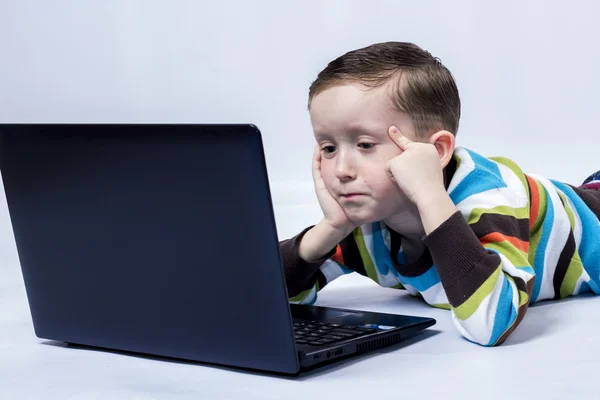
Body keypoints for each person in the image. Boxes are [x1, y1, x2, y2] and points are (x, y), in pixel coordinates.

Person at [279, 41, 600, 346]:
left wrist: (430, 195)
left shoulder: (488, 198)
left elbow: (491, 322)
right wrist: (330, 228)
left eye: (365, 145)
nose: (341, 169)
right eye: (329, 148)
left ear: (435, 151)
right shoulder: (366, 226)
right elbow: (269, 295)